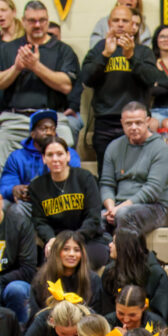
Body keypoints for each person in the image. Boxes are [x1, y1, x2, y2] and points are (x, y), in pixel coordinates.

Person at [80, 4, 160, 171]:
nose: (120, 24)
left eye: (125, 21)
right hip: (105, 123)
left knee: (136, 173)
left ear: (133, 25)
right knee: (107, 175)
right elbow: (86, 78)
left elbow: (151, 79)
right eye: (116, 20)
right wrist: (105, 55)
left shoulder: (143, 51)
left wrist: (131, 57)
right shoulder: (99, 49)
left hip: (135, 123)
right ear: (109, 24)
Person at [0, 1, 78, 166]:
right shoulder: (7, 49)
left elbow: (65, 85)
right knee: (2, 144)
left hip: (52, 119)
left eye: (42, 20)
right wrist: (17, 68)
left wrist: (36, 67)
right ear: (23, 21)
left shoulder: (63, 50)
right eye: (32, 21)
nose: (37, 25)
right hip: (15, 119)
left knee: (66, 148)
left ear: (47, 20)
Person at [29, 137, 106, 269]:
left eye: (60, 154)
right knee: (52, 266)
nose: (55, 159)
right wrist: (51, 239)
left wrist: (74, 239)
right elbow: (40, 221)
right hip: (57, 243)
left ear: (68, 156)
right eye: (50, 155)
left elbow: (93, 217)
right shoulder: (37, 186)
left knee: (77, 262)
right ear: (44, 159)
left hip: (89, 240)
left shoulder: (85, 178)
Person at [99, 101, 168, 236]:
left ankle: (125, 255)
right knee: (95, 219)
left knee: (124, 215)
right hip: (118, 206)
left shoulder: (161, 149)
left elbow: (152, 190)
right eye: (128, 123)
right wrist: (110, 208)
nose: (133, 127)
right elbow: (106, 183)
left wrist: (119, 208)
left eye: (138, 123)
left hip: (153, 207)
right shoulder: (114, 147)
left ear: (148, 122)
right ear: (122, 123)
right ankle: (107, 254)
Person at [1, 109, 81, 216]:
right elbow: (5, 185)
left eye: (52, 129)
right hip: (26, 204)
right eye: (44, 128)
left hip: (57, 201)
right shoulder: (17, 157)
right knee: (6, 205)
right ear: (32, 134)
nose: (49, 132)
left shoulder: (67, 154)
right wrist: (14, 189)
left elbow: (75, 181)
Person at [100, 228, 168, 321]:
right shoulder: (110, 271)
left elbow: (160, 315)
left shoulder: (156, 273)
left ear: (125, 248)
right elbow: (106, 310)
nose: (109, 245)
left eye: (114, 242)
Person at [28, 230, 101, 313]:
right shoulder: (41, 279)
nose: (71, 254)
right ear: (56, 251)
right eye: (66, 249)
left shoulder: (93, 280)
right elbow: (35, 316)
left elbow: (96, 316)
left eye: (76, 250)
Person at [44, 21, 84, 147]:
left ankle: (69, 161)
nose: (52, 38)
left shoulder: (67, 54)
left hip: (65, 111)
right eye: (49, 35)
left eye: (55, 35)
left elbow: (77, 85)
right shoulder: (38, 55)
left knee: (72, 125)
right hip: (43, 109)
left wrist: (72, 107)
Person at [0, 194, 37, 325]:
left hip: (13, 282)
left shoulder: (19, 223)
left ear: (0, 201)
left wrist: (2, 280)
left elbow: (28, 269)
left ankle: (20, 333)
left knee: (17, 290)